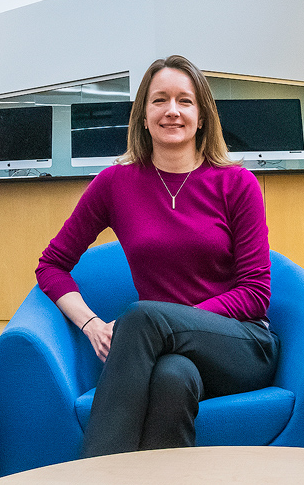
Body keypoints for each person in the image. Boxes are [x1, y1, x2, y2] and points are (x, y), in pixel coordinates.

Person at [36, 55, 278, 457]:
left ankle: (94, 476)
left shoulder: (237, 183)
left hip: (241, 345)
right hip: (166, 354)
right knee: (171, 378)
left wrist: (173, 322)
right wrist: (92, 324)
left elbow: (256, 293)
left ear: (201, 116)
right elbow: (52, 265)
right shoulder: (115, 184)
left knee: (143, 315)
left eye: (185, 100)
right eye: (159, 100)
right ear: (143, 116)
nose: (172, 111)